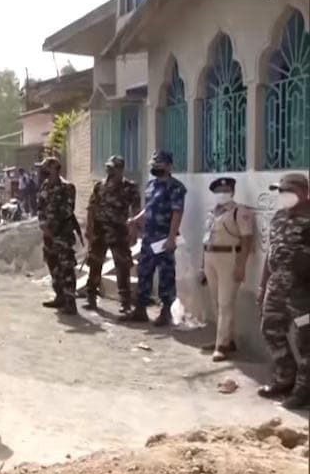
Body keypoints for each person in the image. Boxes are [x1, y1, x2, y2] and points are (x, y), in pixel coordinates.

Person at [256, 172, 310, 410]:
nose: (283, 196)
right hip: (276, 286)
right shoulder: (278, 217)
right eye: (280, 191)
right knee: (270, 330)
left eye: (287, 191)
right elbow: (270, 253)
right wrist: (262, 284)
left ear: (303, 192)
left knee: (306, 341)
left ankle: (303, 390)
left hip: (304, 291)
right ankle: (285, 377)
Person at [123, 150, 186, 326]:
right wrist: (136, 220)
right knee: (143, 272)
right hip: (149, 237)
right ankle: (140, 310)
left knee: (166, 275)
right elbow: (149, 207)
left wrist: (172, 237)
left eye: (159, 164)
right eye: (153, 164)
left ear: (168, 165)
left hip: (164, 238)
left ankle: (165, 312)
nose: (155, 167)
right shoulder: (151, 185)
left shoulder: (176, 187)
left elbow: (177, 212)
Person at [199, 176, 255, 361]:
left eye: (225, 191)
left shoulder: (240, 212)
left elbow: (247, 239)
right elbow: (206, 239)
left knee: (225, 302)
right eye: (218, 192)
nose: (221, 195)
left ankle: (222, 345)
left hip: (229, 257)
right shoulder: (211, 212)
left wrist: (241, 265)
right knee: (216, 301)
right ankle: (225, 339)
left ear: (232, 192)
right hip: (210, 257)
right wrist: (202, 266)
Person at [82, 156, 140, 313]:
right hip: (100, 230)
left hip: (119, 231)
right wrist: (89, 228)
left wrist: (134, 230)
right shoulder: (100, 186)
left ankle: (125, 302)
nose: (109, 171)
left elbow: (136, 210)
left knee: (122, 266)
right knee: (94, 263)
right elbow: (91, 207)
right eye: (108, 168)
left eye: (113, 168)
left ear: (120, 170)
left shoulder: (130, 187)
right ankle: (91, 296)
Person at [37, 156, 79, 315]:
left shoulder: (67, 187)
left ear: (56, 169)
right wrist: (42, 224)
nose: (44, 173)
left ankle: (70, 301)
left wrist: (53, 227)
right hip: (48, 235)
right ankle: (59, 296)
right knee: (53, 266)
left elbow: (67, 211)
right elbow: (40, 207)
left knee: (66, 267)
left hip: (63, 234)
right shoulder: (44, 186)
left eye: (47, 169)